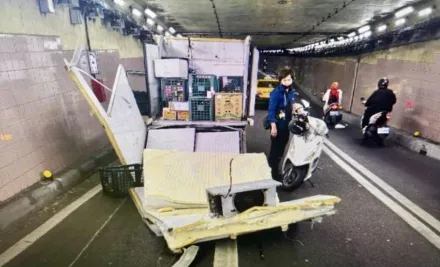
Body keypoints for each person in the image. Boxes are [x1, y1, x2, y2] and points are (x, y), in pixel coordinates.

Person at [267, 68, 296, 180]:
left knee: (281, 151)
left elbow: (290, 105)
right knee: (275, 151)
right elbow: (271, 110)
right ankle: (272, 175)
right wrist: (273, 126)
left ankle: (275, 171)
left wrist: (295, 108)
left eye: (289, 80)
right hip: (278, 126)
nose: (287, 82)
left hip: (286, 126)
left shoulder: (291, 91)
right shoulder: (276, 93)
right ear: (280, 80)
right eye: (284, 80)